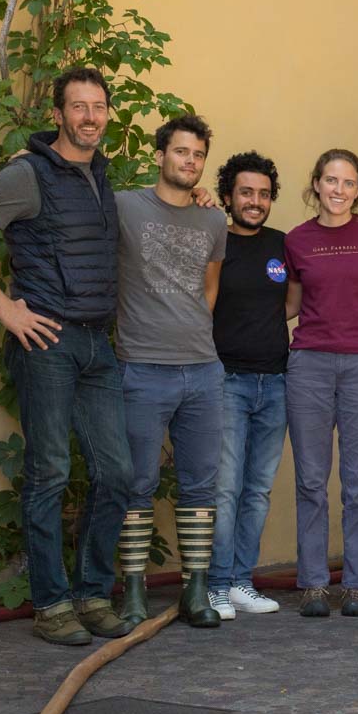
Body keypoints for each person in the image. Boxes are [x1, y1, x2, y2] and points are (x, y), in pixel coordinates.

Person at [0, 67, 134, 645]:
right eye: (78, 107)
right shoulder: (28, 175)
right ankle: (53, 605)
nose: (89, 116)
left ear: (107, 113)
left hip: (97, 344)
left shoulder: (102, 176)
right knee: (49, 472)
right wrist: (7, 308)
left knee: (119, 474)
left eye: (98, 106)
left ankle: (90, 594)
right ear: (57, 115)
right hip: (47, 342)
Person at [105, 115, 229, 630]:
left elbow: (210, 287)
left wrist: (191, 328)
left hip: (202, 369)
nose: (189, 162)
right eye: (181, 152)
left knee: (201, 484)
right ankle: (132, 593)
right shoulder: (124, 206)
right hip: (141, 367)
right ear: (160, 155)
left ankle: (195, 593)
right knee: (137, 483)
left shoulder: (213, 220)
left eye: (197, 155)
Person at [286, 149, 358, 618]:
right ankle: (312, 583)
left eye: (348, 182)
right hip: (308, 362)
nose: (338, 190)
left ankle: (357, 584)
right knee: (311, 478)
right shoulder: (296, 240)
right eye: (330, 180)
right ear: (315, 185)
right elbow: (289, 303)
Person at [209, 150, 290, 619]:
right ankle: (217, 585)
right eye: (246, 192)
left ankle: (242, 581)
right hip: (227, 380)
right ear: (228, 196)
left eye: (263, 194)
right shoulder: (214, 239)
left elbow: (293, 298)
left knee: (258, 488)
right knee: (225, 488)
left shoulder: (282, 244)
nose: (255, 201)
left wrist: (261, 324)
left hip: (276, 382)